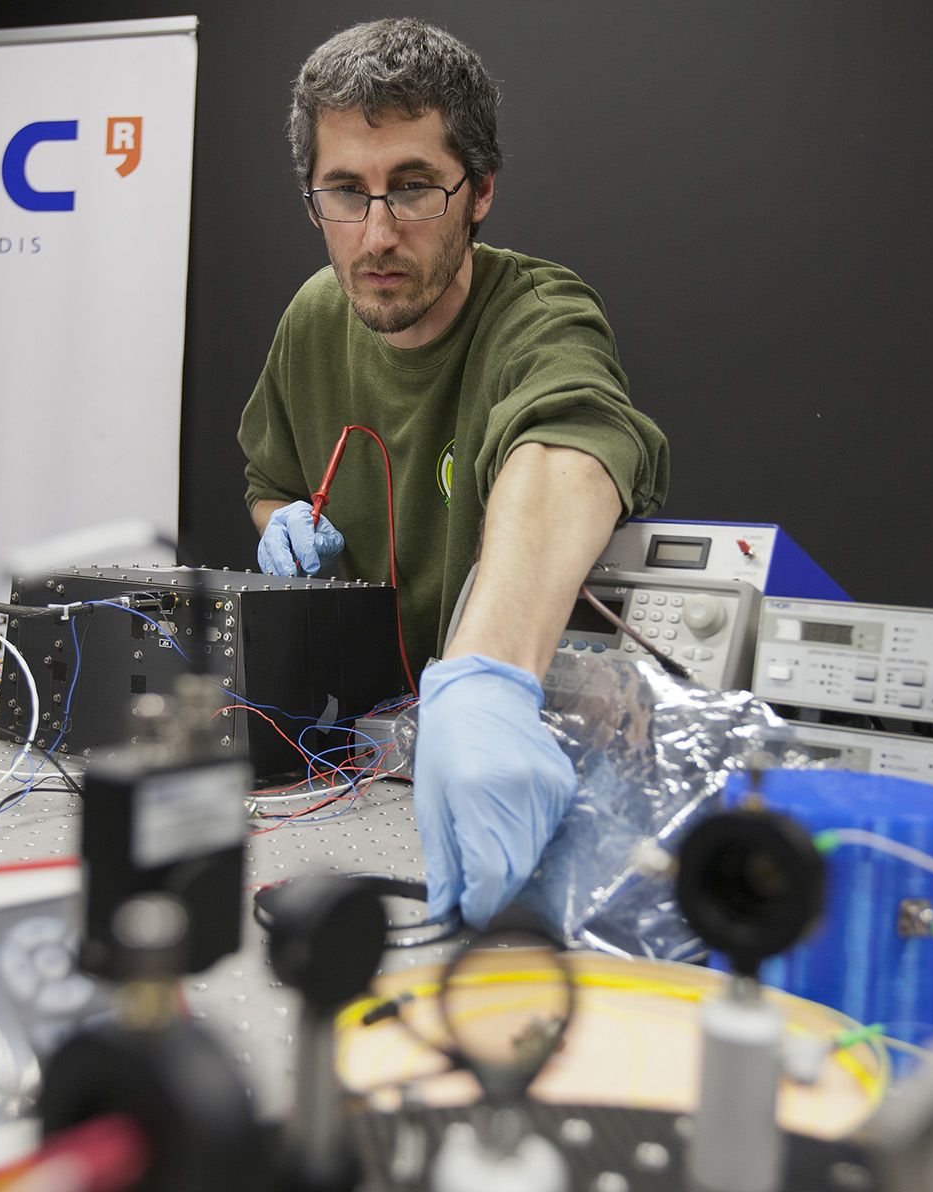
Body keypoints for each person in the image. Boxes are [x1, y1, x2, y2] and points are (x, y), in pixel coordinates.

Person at [238, 18, 669, 927]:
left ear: (480, 192)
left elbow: (568, 445)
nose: (377, 234)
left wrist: (486, 684)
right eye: (344, 194)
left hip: (508, 777)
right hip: (359, 776)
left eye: (415, 189)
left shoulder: (542, 316)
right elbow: (269, 479)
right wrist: (279, 522)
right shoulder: (314, 318)